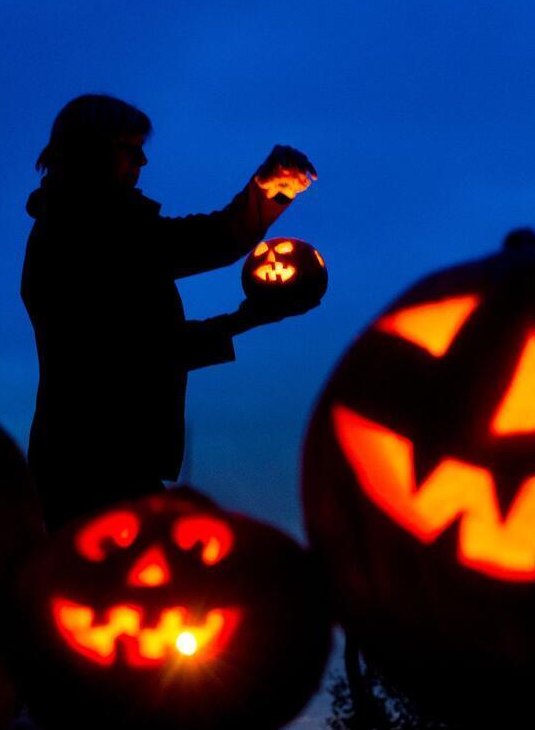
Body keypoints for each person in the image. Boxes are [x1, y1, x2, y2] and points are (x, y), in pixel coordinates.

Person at [21, 94, 318, 531]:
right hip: (95, 458)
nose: (142, 159)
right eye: (129, 147)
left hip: (99, 455)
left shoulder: (89, 226)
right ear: (90, 150)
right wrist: (246, 317)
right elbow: (137, 351)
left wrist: (266, 192)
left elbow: (146, 344)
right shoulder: (89, 234)